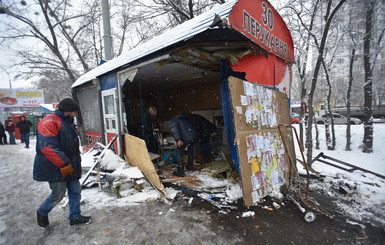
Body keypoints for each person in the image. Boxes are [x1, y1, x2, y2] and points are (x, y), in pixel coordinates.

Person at [34, 98, 92, 227]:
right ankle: (42, 211)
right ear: (68, 110)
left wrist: (74, 161)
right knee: (58, 194)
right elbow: (48, 147)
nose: (77, 113)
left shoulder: (69, 122)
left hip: (70, 164)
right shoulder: (49, 122)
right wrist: (64, 164)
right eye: (75, 111)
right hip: (55, 166)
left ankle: (75, 217)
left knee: (75, 191)